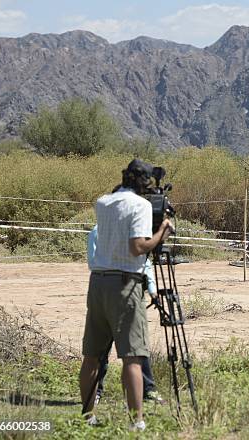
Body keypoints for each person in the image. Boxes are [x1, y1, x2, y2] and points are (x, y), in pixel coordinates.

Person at [79, 159, 173, 431]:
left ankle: (88, 416)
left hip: (98, 282)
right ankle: (137, 421)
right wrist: (161, 233)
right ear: (143, 182)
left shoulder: (103, 202)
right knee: (132, 356)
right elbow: (138, 247)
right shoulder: (141, 206)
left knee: (93, 355)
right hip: (125, 283)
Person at [86, 224, 164, 406]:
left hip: (132, 290)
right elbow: (93, 261)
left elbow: (145, 262)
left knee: (137, 345)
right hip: (109, 289)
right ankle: (96, 392)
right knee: (101, 348)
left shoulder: (133, 231)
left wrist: (152, 288)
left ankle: (147, 389)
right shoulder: (97, 232)